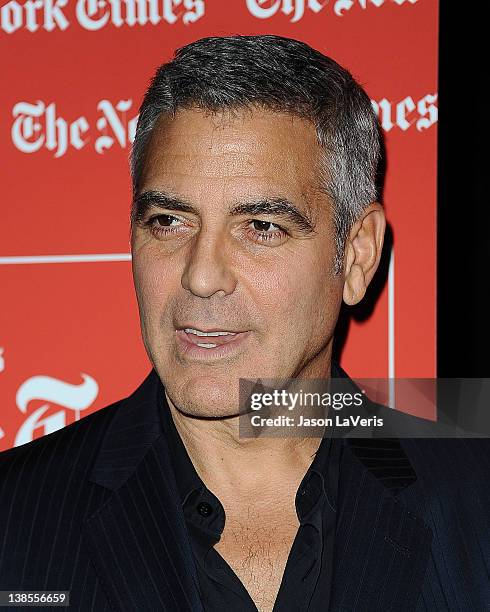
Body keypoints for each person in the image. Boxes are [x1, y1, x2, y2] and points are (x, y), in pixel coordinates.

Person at [1, 35, 489, 612]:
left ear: (356, 255)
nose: (202, 276)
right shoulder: (13, 514)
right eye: (168, 221)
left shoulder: (474, 492)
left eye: (261, 226)